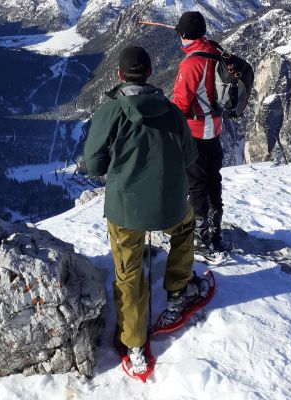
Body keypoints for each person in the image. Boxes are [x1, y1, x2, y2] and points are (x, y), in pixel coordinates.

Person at [83, 46, 206, 376]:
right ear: (150, 73)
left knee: (128, 270)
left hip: (126, 209)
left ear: (120, 76)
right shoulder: (170, 110)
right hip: (169, 204)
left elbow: (94, 164)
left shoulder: (111, 112)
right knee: (184, 229)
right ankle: (179, 289)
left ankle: (133, 340)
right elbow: (190, 156)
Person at [172, 11, 226, 260]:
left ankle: (201, 236)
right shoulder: (215, 51)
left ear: (184, 35)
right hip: (215, 127)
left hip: (196, 132)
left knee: (197, 183)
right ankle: (215, 230)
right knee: (214, 178)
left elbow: (181, 103)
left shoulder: (191, 63)